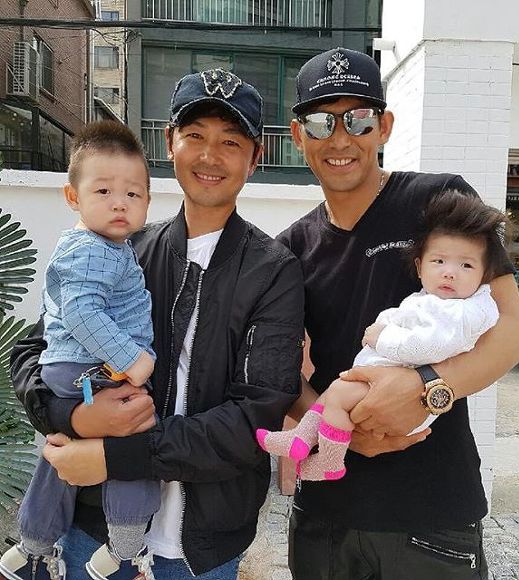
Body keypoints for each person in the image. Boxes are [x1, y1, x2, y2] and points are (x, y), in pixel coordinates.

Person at [10, 68, 304, 580]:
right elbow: (35, 351)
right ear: (170, 143)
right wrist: (73, 417)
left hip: (205, 541)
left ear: (255, 158)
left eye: (231, 142)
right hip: (94, 525)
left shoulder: (273, 271)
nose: (210, 156)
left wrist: (119, 455)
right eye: (195, 136)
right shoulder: (121, 249)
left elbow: (256, 416)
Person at [278, 47, 519, 579]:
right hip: (327, 516)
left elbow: (513, 330)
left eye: (358, 119)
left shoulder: (438, 200)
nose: (340, 139)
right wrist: (342, 427)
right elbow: (278, 371)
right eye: (321, 122)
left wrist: (429, 386)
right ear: (298, 135)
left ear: (384, 127)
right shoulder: (291, 248)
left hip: (432, 513)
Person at [0, 120, 159, 580]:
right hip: (87, 368)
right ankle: (125, 549)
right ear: (73, 197)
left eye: (133, 194)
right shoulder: (93, 250)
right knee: (135, 434)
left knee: (62, 451)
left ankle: (33, 546)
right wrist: (133, 360)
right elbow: (80, 313)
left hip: (71, 369)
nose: (119, 203)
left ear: (148, 201)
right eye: (103, 191)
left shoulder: (106, 246)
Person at [257, 190, 506, 482]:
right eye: (439, 261)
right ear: (420, 266)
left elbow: (430, 347)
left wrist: (382, 338)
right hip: (379, 381)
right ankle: (301, 438)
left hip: (407, 401)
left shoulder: (460, 311)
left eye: (466, 265)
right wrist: (385, 324)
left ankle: (329, 461)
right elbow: (402, 316)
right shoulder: (430, 299)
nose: (450, 272)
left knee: (336, 398)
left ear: (485, 275)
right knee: (332, 394)